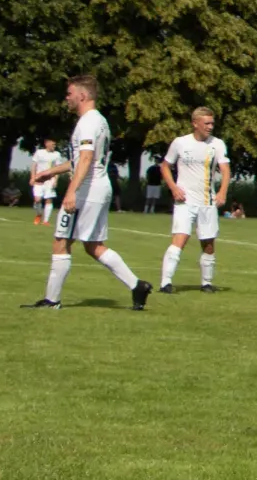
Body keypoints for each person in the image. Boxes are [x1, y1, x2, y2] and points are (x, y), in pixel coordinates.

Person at [24, 76, 154, 311]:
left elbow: (85, 159)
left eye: (69, 93)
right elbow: (83, 160)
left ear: (82, 96)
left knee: (61, 241)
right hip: (100, 187)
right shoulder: (100, 121)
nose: (67, 98)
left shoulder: (87, 123)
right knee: (94, 246)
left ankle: (51, 301)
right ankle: (137, 285)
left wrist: (71, 192)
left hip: (87, 189)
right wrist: (50, 171)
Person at [158, 106, 230, 294]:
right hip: (185, 201)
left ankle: (206, 283)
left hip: (207, 201)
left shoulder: (217, 144)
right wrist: (174, 188)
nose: (210, 127)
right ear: (195, 123)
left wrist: (222, 192)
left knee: (208, 244)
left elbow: (225, 170)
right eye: (206, 123)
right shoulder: (180, 143)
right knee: (180, 239)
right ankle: (166, 283)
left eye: (212, 123)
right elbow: (165, 166)